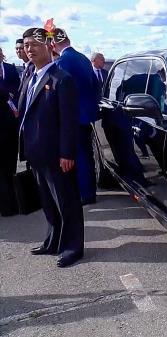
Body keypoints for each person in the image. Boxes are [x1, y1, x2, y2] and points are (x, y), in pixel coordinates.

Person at [18, 27, 84, 267]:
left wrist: (67, 152)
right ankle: (53, 240)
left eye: (34, 44)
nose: (29, 49)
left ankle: (73, 247)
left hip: (57, 154)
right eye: (26, 45)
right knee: (47, 201)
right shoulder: (30, 75)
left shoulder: (61, 79)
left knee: (67, 201)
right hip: (36, 152)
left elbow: (69, 120)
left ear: (49, 46)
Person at [52, 28, 99, 205]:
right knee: (86, 155)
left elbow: (61, 90)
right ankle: (89, 191)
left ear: (53, 44)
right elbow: (95, 84)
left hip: (73, 117)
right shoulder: (83, 58)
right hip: (86, 115)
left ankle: (84, 194)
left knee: (78, 156)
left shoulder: (63, 61)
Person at [0, 47, 21, 216]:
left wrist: (9, 94)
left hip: (10, 121)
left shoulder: (10, 68)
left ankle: (13, 199)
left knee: (10, 162)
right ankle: (6, 205)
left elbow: (17, 87)